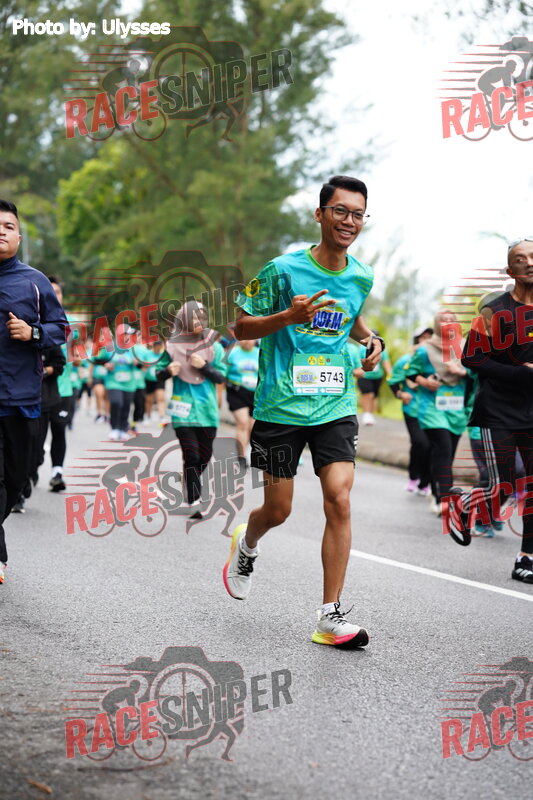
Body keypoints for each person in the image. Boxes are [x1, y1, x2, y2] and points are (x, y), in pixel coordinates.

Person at [222, 175, 383, 649]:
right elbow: (239, 326)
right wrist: (287, 318)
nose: (349, 221)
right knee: (279, 510)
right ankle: (247, 542)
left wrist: (371, 340)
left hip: (335, 402)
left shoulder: (362, 275)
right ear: (320, 214)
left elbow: (351, 317)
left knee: (339, 497)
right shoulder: (280, 269)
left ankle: (330, 616)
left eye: (357, 214)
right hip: (280, 406)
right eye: (340, 211)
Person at [447, 237, 533, 583]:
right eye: (521, 258)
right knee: (504, 486)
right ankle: (463, 506)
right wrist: (521, 373)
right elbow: (472, 358)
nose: (530, 262)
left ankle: (526, 558)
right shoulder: (494, 310)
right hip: (497, 411)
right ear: (510, 270)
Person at [0, 199, 67, 584]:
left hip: (22, 398)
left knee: (15, 481)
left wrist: (33, 332)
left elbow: (62, 329)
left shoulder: (34, 281)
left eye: (8, 226)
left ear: (19, 237)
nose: (1, 231)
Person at [155, 301, 227, 519]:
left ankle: (189, 478)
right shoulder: (171, 347)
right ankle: (194, 500)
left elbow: (221, 377)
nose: (199, 321)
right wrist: (168, 371)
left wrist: (205, 367)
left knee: (204, 457)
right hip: (182, 411)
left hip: (207, 412)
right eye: (194, 317)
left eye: (202, 317)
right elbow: (157, 374)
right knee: (192, 456)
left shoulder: (214, 346)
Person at [405, 311, 470, 515]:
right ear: (436, 324)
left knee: (446, 456)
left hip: (456, 409)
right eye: (444, 320)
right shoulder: (425, 350)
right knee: (443, 448)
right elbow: (411, 373)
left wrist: (462, 371)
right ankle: (445, 499)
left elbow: (478, 373)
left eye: (452, 320)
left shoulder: (465, 348)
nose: (448, 323)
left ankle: (436, 491)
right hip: (432, 407)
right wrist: (425, 382)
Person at [388, 326, 432, 495]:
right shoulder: (405, 361)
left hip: (434, 411)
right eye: (423, 337)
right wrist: (401, 394)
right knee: (420, 443)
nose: (427, 340)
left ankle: (425, 483)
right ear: (416, 340)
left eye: (430, 336)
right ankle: (414, 477)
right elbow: (393, 381)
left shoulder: (438, 362)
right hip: (412, 409)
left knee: (432, 446)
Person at [225, 339, 260, 467]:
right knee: (242, 423)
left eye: (251, 338)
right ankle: (241, 456)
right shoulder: (231, 353)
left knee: (252, 427)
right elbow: (222, 373)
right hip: (237, 392)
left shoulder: (260, 352)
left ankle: (246, 449)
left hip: (255, 394)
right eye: (245, 338)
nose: (247, 341)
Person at [104, 324, 137, 441]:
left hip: (129, 383)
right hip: (114, 382)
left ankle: (123, 428)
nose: (128, 337)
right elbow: (100, 360)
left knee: (126, 406)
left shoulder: (133, 349)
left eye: (129, 334)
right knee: (116, 402)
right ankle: (114, 428)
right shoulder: (110, 347)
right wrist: (106, 365)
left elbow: (141, 364)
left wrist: (137, 362)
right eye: (126, 334)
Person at [357, 331, 391, 425]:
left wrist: (391, 376)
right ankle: (366, 414)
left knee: (373, 396)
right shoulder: (361, 348)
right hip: (364, 375)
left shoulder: (382, 350)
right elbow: (357, 361)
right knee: (368, 394)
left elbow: (386, 363)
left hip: (377, 377)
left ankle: (370, 414)